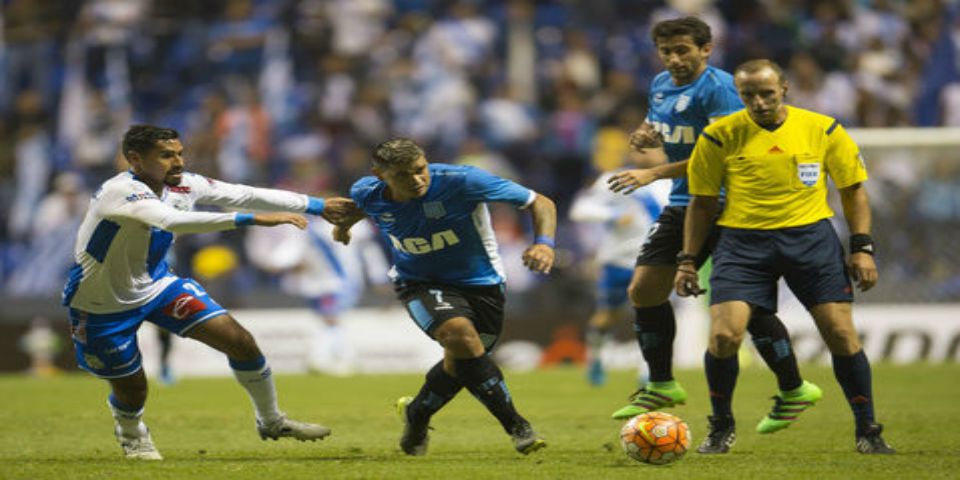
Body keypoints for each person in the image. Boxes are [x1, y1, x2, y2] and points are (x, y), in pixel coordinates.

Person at [62, 124, 360, 460]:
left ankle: (272, 421)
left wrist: (317, 205)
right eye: (166, 155)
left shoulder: (184, 183)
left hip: (158, 285)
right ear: (135, 158)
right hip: (101, 303)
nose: (177, 162)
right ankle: (132, 433)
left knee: (240, 341)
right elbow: (172, 221)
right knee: (133, 388)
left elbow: (242, 193)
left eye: (179, 153)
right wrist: (253, 220)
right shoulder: (120, 192)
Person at [607, 16, 818, 434]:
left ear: (706, 49)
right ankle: (662, 383)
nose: (674, 58)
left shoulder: (720, 89)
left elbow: (723, 154)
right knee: (644, 289)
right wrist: (648, 133)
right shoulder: (660, 83)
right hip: (685, 201)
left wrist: (653, 172)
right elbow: (662, 119)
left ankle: (794, 388)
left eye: (683, 50)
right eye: (667, 51)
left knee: (746, 308)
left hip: (729, 204)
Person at [676, 59, 894, 454]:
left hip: (810, 239)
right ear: (738, 95)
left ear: (785, 89)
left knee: (842, 334)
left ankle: (868, 431)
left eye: (766, 93)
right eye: (748, 95)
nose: (758, 102)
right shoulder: (719, 136)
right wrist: (688, 259)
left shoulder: (823, 129)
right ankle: (721, 426)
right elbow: (702, 203)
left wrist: (862, 246)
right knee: (725, 335)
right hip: (742, 243)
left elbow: (853, 190)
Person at [334, 138, 556, 456]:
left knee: (463, 363)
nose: (417, 180)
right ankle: (517, 427)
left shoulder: (463, 180)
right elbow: (361, 207)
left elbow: (540, 201)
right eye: (404, 175)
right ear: (381, 174)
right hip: (418, 283)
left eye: (420, 170)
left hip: (482, 284)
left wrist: (544, 243)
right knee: (459, 336)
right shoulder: (367, 191)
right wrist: (343, 228)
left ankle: (417, 414)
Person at [569, 155, 670, 386]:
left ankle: (649, 369)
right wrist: (613, 215)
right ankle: (596, 358)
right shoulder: (615, 178)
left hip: (655, 260)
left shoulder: (672, 181)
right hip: (617, 259)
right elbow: (581, 209)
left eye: (653, 146)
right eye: (640, 147)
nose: (646, 152)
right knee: (608, 315)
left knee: (654, 314)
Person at [245, 216, 389, 375]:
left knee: (332, 319)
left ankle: (328, 359)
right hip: (321, 283)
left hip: (338, 282)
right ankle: (338, 360)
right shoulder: (308, 226)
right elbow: (293, 249)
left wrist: (378, 275)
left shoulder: (354, 225)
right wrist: (275, 263)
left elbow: (369, 250)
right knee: (332, 320)